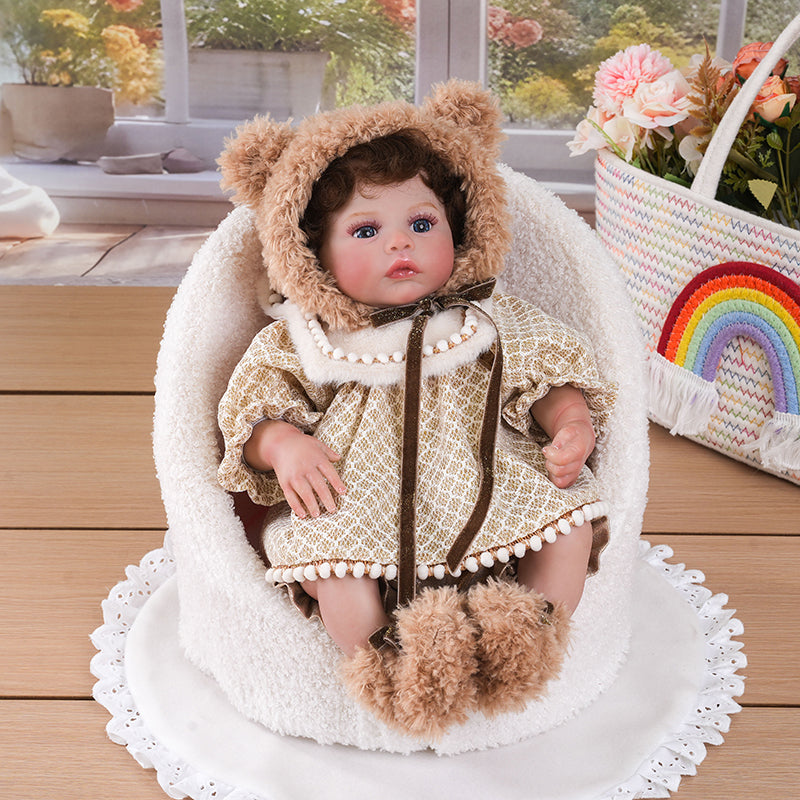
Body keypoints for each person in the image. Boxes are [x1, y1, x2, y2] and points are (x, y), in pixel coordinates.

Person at [216, 83, 616, 738]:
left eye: (422, 225)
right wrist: (284, 445)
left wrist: (570, 422)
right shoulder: (309, 338)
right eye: (366, 230)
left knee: (567, 522)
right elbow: (253, 412)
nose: (399, 244)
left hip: (488, 485)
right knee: (333, 566)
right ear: (312, 252)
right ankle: (393, 668)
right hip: (362, 500)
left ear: (461, 228)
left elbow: (546, 378)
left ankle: (528, 631)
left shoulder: (489, 320)